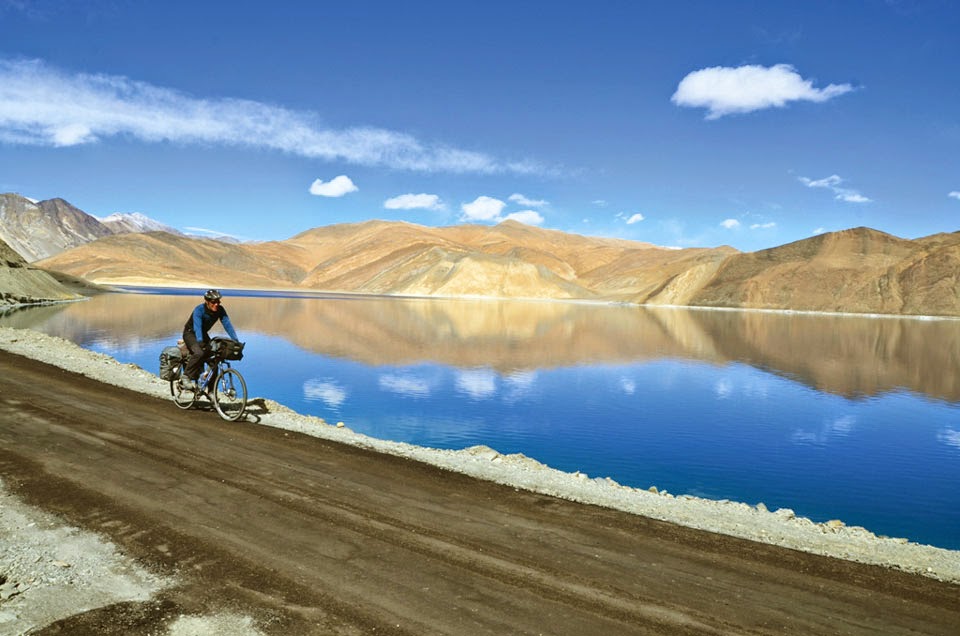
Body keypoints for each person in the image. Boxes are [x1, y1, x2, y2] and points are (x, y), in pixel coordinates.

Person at [180, 289, 239, 390]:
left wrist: (235, 340)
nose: (216, 304)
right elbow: (197, 327)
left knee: (215, 360)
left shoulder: (220, 310)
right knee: (199, 353)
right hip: (190, 333)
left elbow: (227, 324)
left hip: (202, 334)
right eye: (213, 302)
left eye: (218, 302)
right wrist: (200, 342)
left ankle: (211, 392)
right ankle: (185, 377)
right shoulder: (199, 310)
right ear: (207, 302)